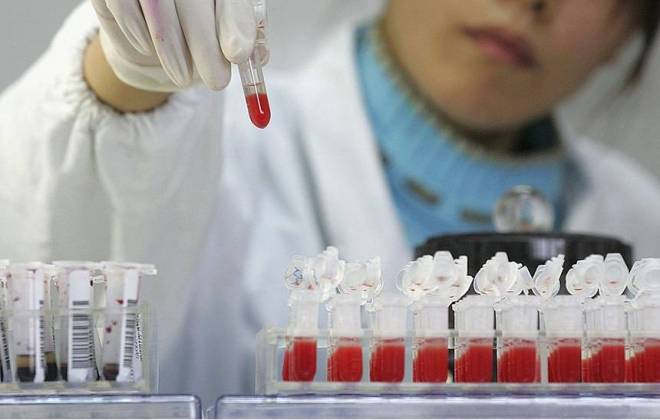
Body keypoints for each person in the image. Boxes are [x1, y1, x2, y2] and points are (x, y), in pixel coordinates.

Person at [1, 0, 659, 402]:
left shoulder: (644, 228)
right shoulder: (225, 148)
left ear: (630, 30)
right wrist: (124, 81)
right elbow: (46, 290)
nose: (530, 1)